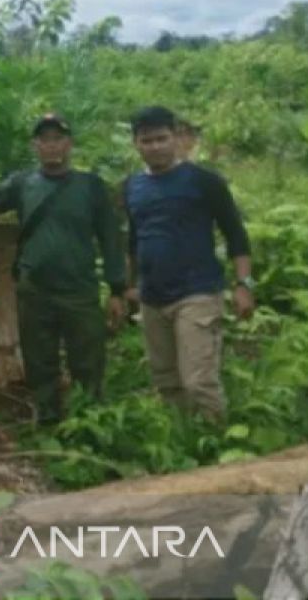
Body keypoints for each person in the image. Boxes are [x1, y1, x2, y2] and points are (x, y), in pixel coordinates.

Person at [0, 113, 126, 424]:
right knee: (40, 362)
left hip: (79, 290)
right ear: (35, 145)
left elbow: (110, 239)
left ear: (69, 144)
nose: (51, 146)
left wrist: (117, 288)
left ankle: (89, 421)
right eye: (44, 140)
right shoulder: (23, 184)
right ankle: (48, 420)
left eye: (58, 139)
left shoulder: (90, 186)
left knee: (88, 361)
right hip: (34, 290)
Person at [123, 105, 254, 421]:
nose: (155, 146)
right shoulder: (132, 186)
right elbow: (133, 240)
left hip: (197, 292)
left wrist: (243, 284)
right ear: (136, 143)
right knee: (166, 380)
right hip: (152, 297)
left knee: (198, 382)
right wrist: (128, 286)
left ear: (177, 138)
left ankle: (216, 445)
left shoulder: (204, 181)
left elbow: (235, 234)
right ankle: (183, 442)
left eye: (161, 138)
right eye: (147, 140)